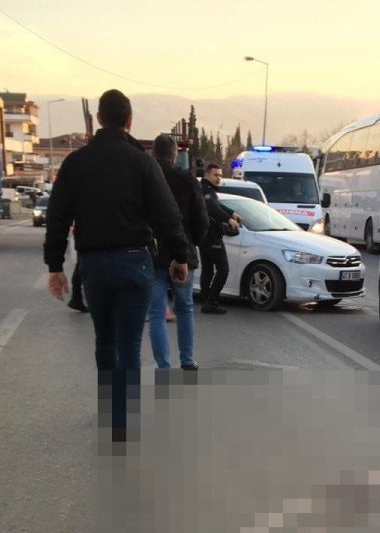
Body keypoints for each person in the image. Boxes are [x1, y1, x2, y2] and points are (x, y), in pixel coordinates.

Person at [42, 89, 189, 441]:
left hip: (94, 265)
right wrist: (180, 256)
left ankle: (110, 410)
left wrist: (55, 265)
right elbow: (168, 215)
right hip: (134, 263)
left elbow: (57, 217)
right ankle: (124, 421)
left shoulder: (76, 163)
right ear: (129, 121)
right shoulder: (143, 164)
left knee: (104, 338)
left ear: (99, 118)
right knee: (129, 344)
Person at [147, 134, 208, 371]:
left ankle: (163, 366)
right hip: (183, 254)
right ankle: (187, 360)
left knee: (156, 313)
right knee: (184, 309)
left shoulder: (147, 177)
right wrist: (192, 242)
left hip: (154, 254)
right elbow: (201, 218)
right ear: (175, 155)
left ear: (153, 153)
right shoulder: (187, 179)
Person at [197, 163, 239, 315]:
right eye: (215, 175)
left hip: (205, 235)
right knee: (223, 269)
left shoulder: (207, 190)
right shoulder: (206, 191)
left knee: (208, 270)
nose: (219, 178)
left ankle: (205, 300)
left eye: (220, 175)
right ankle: (211, 301)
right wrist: (229, 219)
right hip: (211, 236)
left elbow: (217, 205)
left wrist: (231, 212)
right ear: (207, 175)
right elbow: (213, 208)